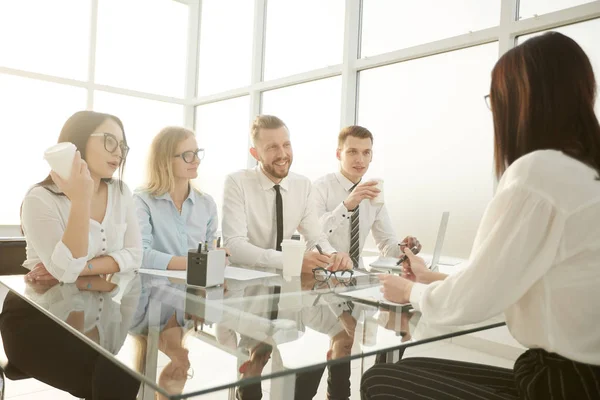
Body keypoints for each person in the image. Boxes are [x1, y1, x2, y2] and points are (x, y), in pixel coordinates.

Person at [363, 32, 600, 399]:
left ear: (523, 102)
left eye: (497, 100)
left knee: (381, 378)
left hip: (561, 386)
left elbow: (477, 299)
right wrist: (431, 278)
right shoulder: (584, 172)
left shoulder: (539, 175)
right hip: (579, 376)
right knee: (407, 367)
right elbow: (516, 278)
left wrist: (411, 290)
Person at [21, 111, 142, 283]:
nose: (118, 153)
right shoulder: (39, 198)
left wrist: (82, 268)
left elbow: (135, 255)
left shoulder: (121, 192)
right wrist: (80, 199)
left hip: (100, 299)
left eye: (122, 146)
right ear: (78, 140)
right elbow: (65, 272)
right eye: (109, 141)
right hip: (41, 305)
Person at [222, 115, 351, 271]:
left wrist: (333, 255)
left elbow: (315, 239)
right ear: (255, 153)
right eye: (272, 147)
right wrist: (291, 261)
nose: (282, 154)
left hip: (286, 281)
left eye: (286, 145)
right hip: (243, 283)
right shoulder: (236, 182)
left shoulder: (303, 185)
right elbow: (234, 246)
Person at [313, 125, 420, 268]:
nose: (360, 159)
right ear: (339, 154)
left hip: (355, 275)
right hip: (321, 271)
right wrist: (346, 206)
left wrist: (403, 248)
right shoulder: (320, 188)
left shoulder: (373, 193)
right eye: (352, 152)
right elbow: (313, 236)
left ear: (371, 156)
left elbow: (386, 245)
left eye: (366, 153)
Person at [134, 126, 219, 270]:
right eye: (188, 155)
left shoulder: (207, 203)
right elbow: (140, 254)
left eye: (197, 153)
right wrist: (195, 263)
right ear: (165, 160)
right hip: (155, 290)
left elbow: (212, 250)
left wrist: (219, 256)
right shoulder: (142, 200)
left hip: (197, 289)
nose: (196, 160)